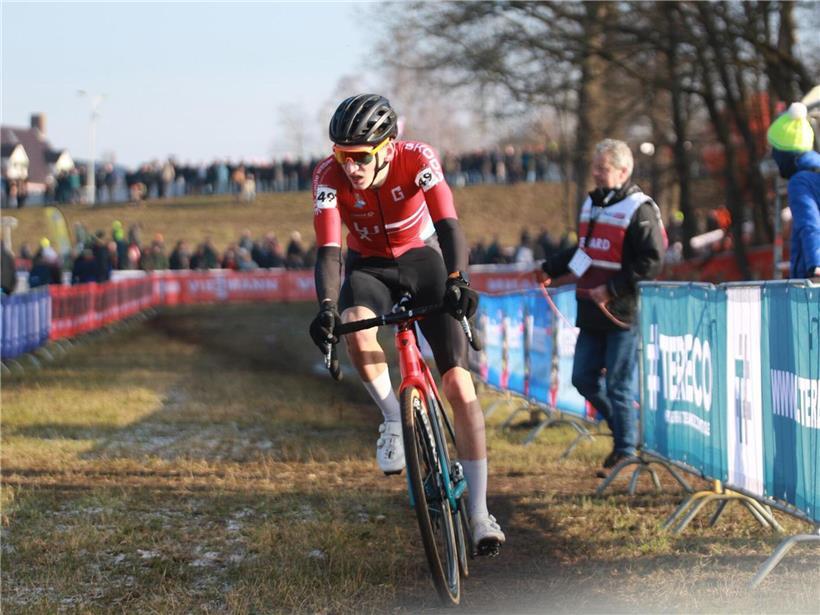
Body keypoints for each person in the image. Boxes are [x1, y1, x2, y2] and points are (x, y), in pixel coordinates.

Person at [309, 94, 505, 553]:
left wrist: (458, 279)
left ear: (388, 147)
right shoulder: (326, 176)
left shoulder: (418, 158)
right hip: (369, 268)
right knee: (355, 321)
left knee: (459, 386)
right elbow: (329, 251)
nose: (350, 166)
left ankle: (480, 513)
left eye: (360, 157)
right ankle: (395, 417)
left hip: (422, 260)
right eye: (342, 154)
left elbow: (449, 223)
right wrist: (326, 306)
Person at [536, 139, 666, 471]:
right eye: (594, 167)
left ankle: (626, 450)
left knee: (619, 385)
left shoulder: (640, 209)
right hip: (590, 310)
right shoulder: (591, 204)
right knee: (582, 378)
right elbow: (584, 250)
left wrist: (611, 289)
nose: (595, 173)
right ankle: (625, 432)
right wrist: (550, 268)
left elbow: (651, 261)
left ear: (624, 171)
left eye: (603, 168)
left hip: (622, 312)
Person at [767, 101, 820, 279]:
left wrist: (816, 264)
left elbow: (810, 223)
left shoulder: (800, 182)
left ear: (785, 155)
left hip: (810, 278)